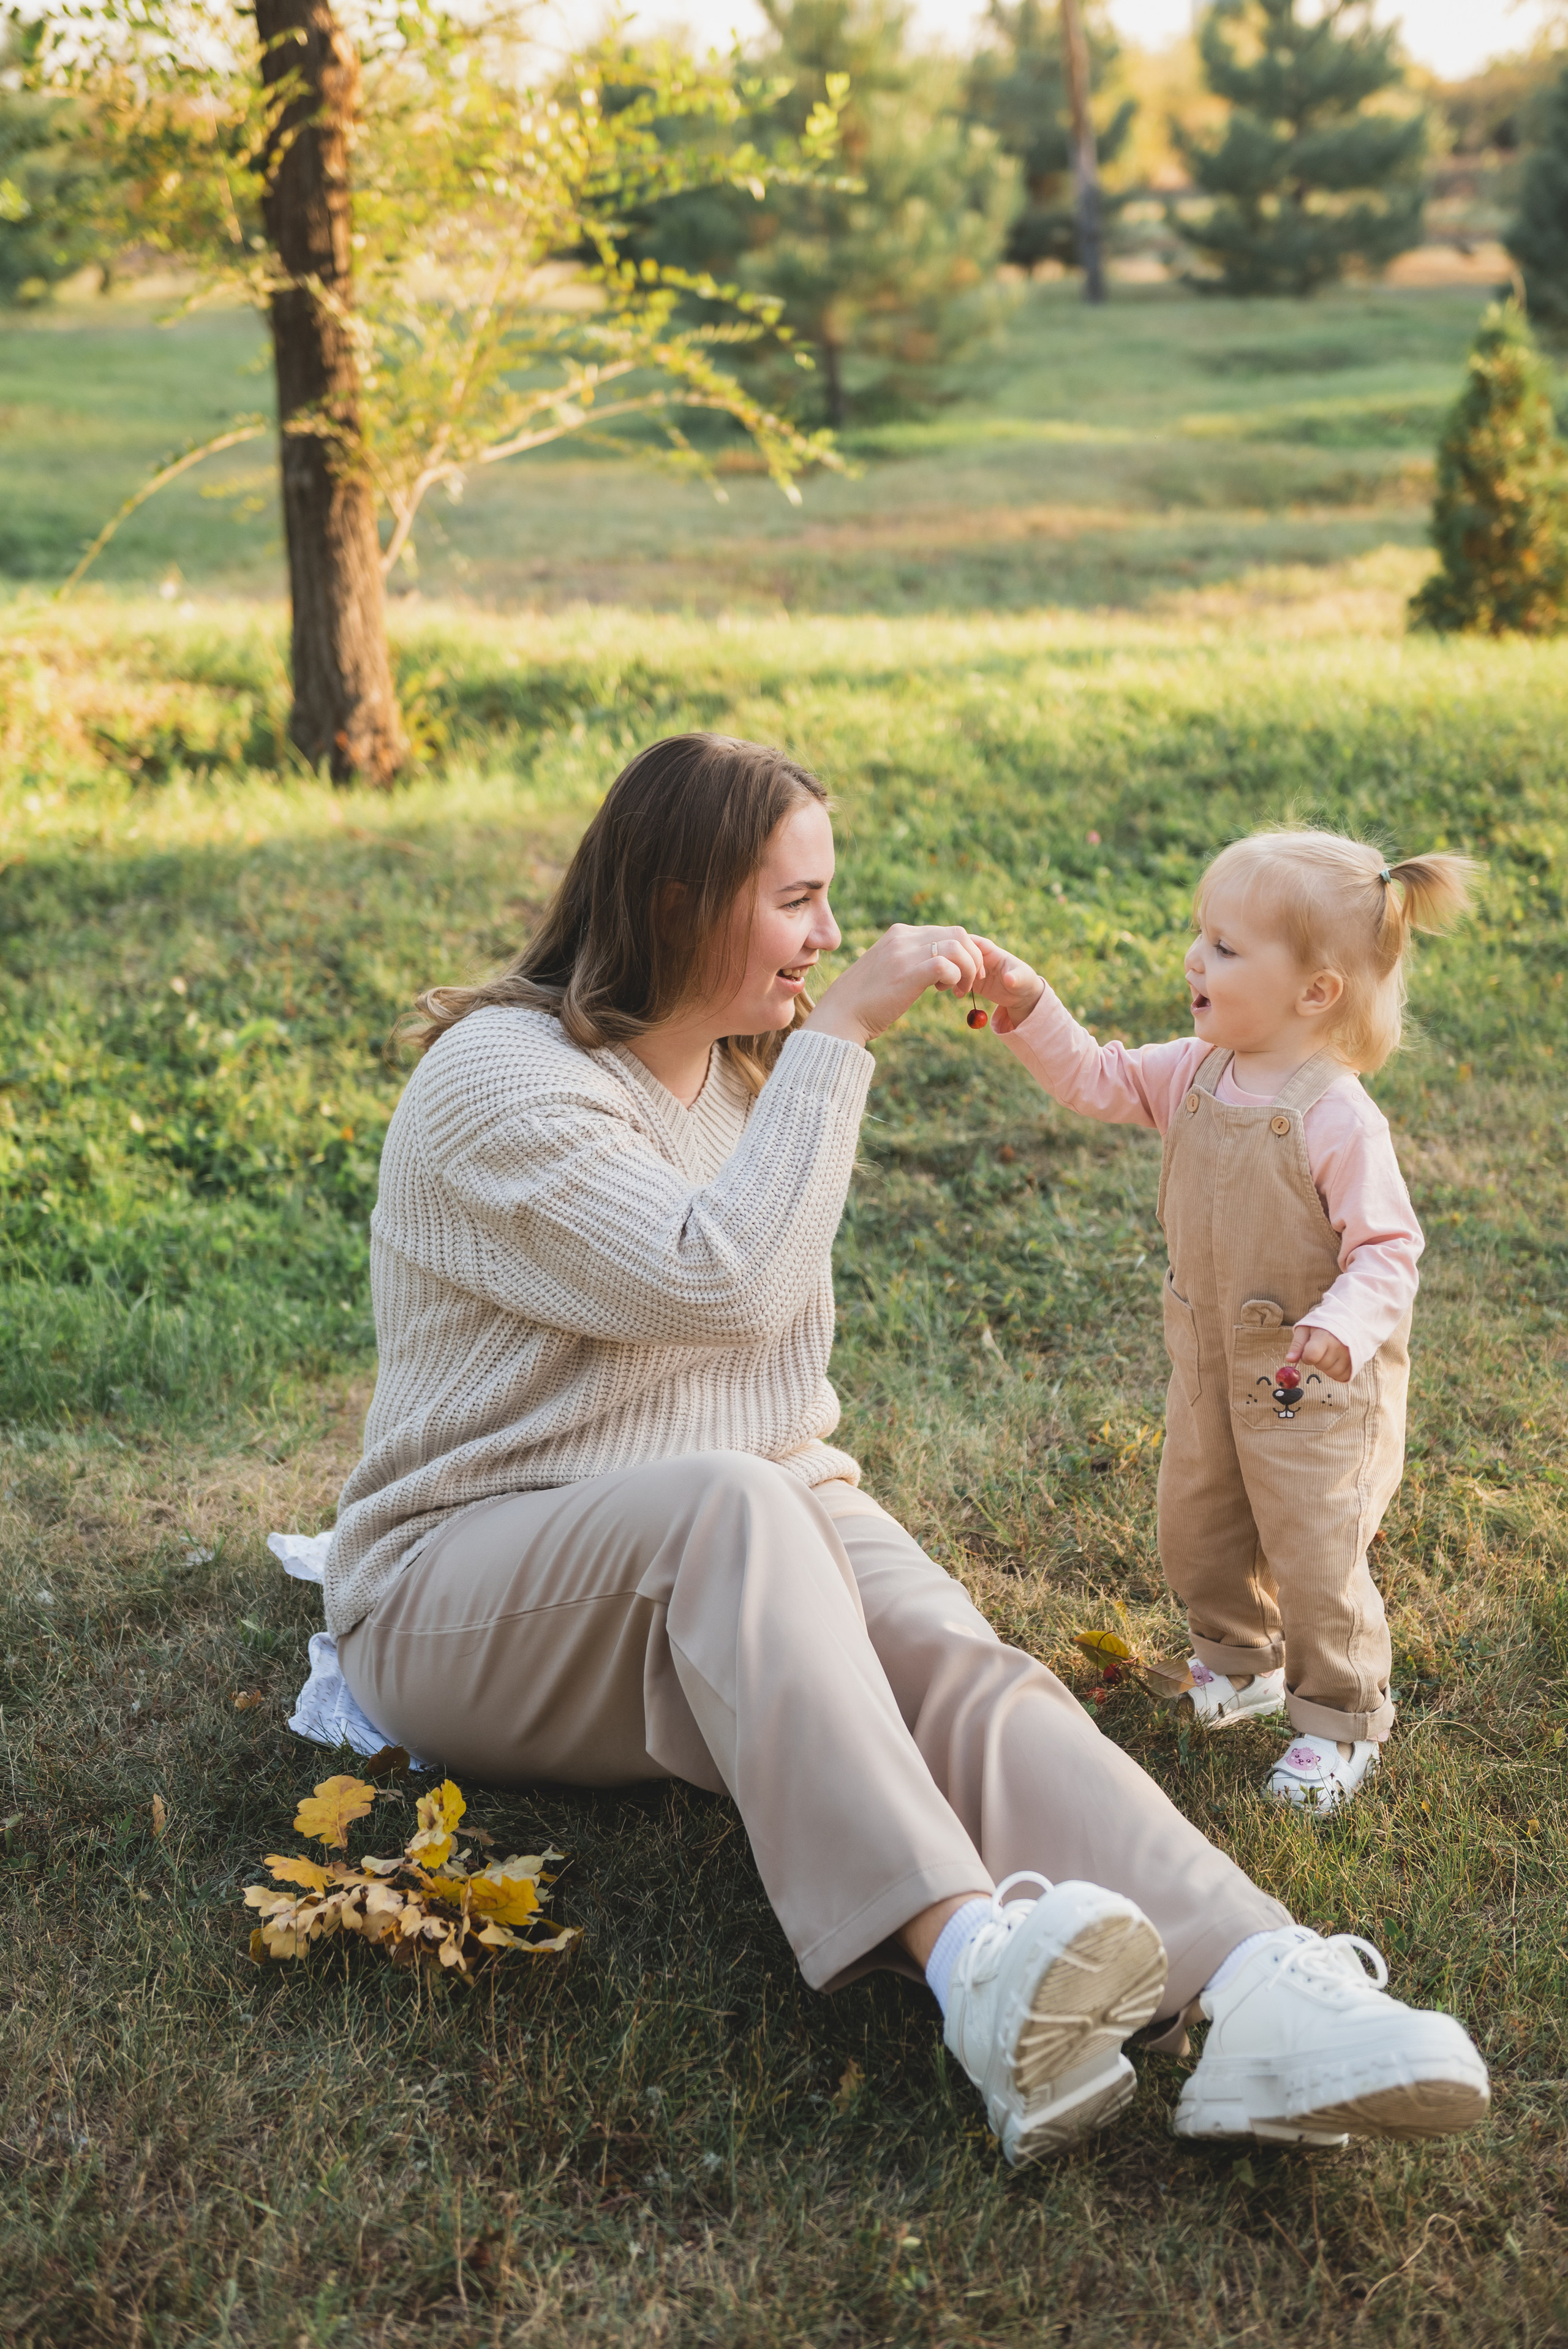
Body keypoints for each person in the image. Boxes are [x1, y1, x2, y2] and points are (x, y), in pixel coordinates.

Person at [328, 742, 1488, 2161]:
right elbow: (719, 1287)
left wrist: (869, 1574)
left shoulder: (738, 1078)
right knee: (733, 1509)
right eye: (798, 902)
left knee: (950, 1655)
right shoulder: (497, 1082)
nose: (828, 937)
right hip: (465, 1592)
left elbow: (754, 1396)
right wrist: (840, 1040)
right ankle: (971, 1965)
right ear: (684, 899)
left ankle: (1255, 1983)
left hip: (734, 1524)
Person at [976, 829, 1475, 1816]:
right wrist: (1031, 1006)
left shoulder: (1335, 1115)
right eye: (1201, 936)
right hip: (1207, 1358)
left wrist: (1345, 1320)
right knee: (1197, 1521)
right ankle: (1241, 1662)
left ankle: (1338, 1716)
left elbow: (1389, 1248)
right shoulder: (1196, 1069)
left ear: (1316, 991)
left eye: (1226, 947)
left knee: (1315, 1548)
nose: (1195, 958)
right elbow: (1097, 1077)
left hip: (1312, 1379)